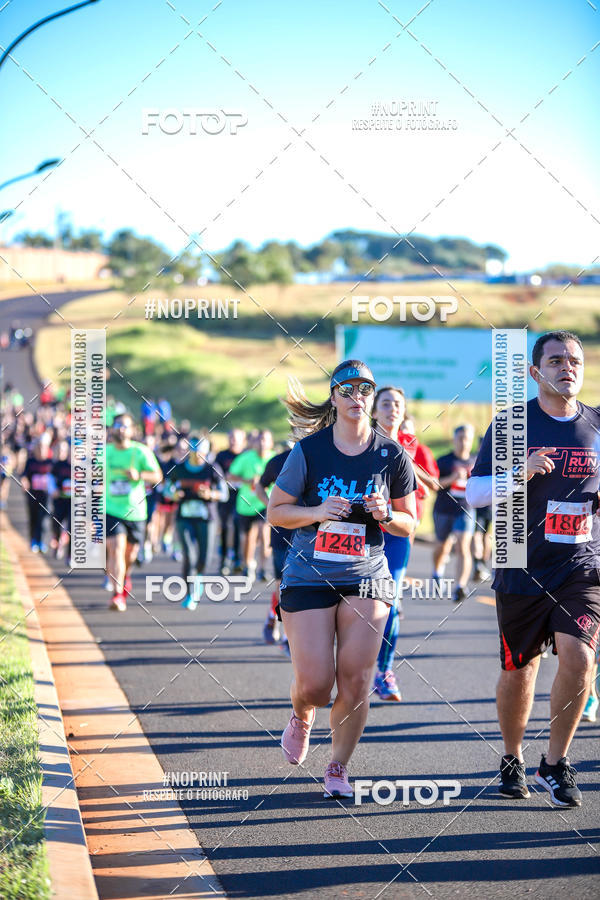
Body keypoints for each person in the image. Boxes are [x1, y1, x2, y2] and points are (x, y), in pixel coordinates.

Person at [267, 360, 417, 798]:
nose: (357, 398)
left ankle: (338, 766)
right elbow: (276, 512)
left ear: (372, 397)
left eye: (365, 389)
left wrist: (386, 514)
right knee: (316, 685)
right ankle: (301, 714)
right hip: (310, 574)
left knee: (356, 679)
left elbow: (410, 523)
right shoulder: (309, 451)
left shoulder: (391, 454)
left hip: (367, 575)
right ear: (333, 398)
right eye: (347, 390)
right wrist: (316, 512)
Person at [466, 331, 600, 807]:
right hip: (520, 561)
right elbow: (474, 494)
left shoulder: (598, 425)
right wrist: (519, 473)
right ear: (534, 371)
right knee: (520, 669)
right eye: (557, 360)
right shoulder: (510, 426)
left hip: (581, 565)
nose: (568, 367)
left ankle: (556, 762)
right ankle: (512, 756)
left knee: (580, 660)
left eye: (576, 361)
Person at [370, 388, 440, 701]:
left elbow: (434, 485)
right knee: (349, 605)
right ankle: (347, 668)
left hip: (398, 533)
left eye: (397, 404)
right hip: (359, 534)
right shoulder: (360, 442)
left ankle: (384, 672)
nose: (392, 408)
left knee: (392, 605)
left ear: (403, 411)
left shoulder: (414, 448)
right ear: (374, 410)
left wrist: (404, 459)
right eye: (385, 403)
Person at [105, 413, 162, 611]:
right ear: (112, 428)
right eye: (118, 425)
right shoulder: (104, 453)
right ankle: (117, 595)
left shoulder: (141, 452)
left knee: (129, 555)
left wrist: (139, 475)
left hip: (135, 511)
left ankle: (125, 576)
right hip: (111, 509)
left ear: (132, 430)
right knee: (116, 548)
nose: (121, 429)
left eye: (125, 426)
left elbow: (158, 476)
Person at [168, 436, 228, 610]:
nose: (198, 456)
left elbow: (224, 494)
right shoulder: (179, 469)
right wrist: (173, 494)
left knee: (204, 558)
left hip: (206, 518)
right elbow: (167, 488)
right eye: (194, 452)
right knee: (189, 556)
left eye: (201, 452)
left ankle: (199, 577)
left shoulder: (212, 469)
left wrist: (211, 495)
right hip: (184, 517)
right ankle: (190, 593)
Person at [432, 424, 477, 603]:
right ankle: (437, 572)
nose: (464, 442)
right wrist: (452, 478)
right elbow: (434, 485)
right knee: (442, 547)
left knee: (463, 545)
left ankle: (460, 586)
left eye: (467, 438)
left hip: (465, 509)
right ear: (454, 439)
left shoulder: (476, 461)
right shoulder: (444, 460)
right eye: (460, 438)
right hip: (443, 509)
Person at [255, 442, 293, 650]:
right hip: (282, 532)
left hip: (312, 534)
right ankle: (287, 637)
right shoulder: (278, 461)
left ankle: (273, 616)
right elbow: (260, 485)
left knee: (298, 585)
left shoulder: (321, 456)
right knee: (284, 585)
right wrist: (271, 507)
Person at [229, 430, 274, 582]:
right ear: (255, 442)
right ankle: (248, 565)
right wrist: (248, 481)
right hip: (246, 504)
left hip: (265, 503)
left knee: (264, 532)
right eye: (260, 440)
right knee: (248, 537)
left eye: (265, 440)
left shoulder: (274, 459)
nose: (262, 443)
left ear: (271, 443)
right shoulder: (246, 458)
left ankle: (263, 568)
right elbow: (229, 476)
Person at [215, 429, 246, 573]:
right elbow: (218, 474)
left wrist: (237, 479)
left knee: (239, 526)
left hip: (243, 496)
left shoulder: (246, 455)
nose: (233, 440)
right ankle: (224, 559)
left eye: (236, 438)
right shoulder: (222, 455)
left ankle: (238, 559)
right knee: (226, 526)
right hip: (226, 496)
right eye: (231, 437)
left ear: (243, 440)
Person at [21, 432, 54, 552]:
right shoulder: (31, 461)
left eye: (43, 447)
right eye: (39, 447)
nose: (41, 450)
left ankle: (42, 542)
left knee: (44, 519)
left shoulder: (50, 463)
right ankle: (33, 540)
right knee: (33, 518)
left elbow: (56, 477)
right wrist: (24, 482)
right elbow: (24, 475)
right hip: (32, 495)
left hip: (46, 496)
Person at [50, 438, 72, 560]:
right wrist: (53, 489)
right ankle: (58, 541)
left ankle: (70, 555)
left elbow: (90, 484)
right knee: (56, 523)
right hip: (59, 500)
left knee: (72, 527)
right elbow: (51, 478)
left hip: (75, 502)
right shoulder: (59, 464)